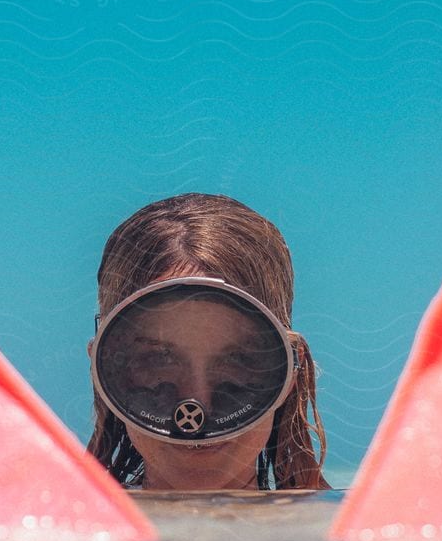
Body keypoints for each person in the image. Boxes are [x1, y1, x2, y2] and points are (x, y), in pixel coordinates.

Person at [86, 193, 329, 492]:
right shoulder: (41, 535)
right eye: (158, 359)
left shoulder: (363, 536)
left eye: (237, 360)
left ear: (290, 370)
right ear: (105, 371)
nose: (197, 404)